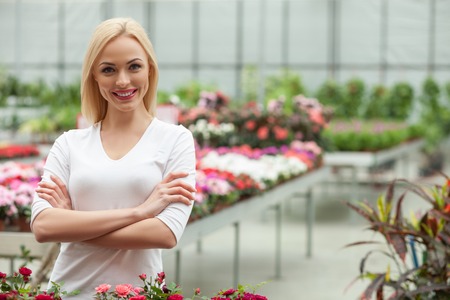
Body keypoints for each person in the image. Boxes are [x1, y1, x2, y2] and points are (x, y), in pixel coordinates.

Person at [31, 17, 196, 299]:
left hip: (140, 294)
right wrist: (140, 212)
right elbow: (44, 226)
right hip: (70, 292)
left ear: (150, 69)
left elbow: (165, 234)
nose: (122, 80)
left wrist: (72, 223)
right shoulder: (69, 144)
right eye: (108, 69)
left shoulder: (175, 140)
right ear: (94, 76)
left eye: (134, 66)